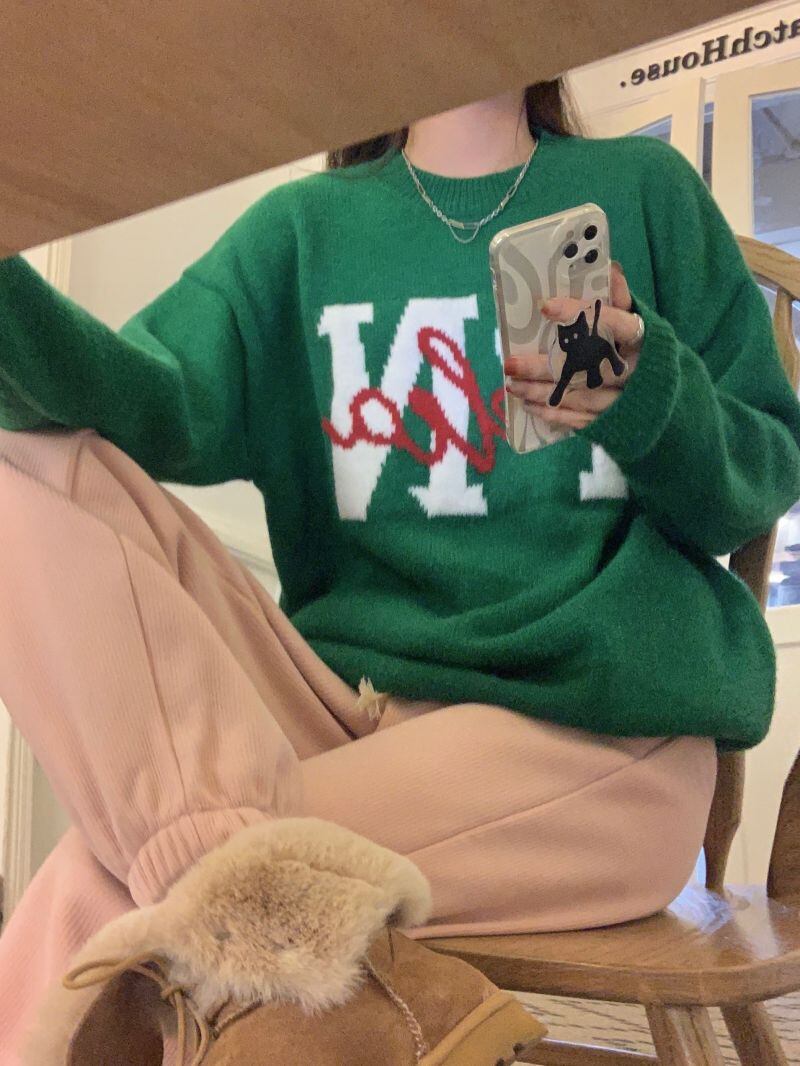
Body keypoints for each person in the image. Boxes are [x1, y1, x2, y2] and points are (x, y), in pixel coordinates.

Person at [0, 79, 799, 1064]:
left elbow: (755, 484)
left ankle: (260, 926)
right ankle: (269, 927)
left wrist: (643, 390)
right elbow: (138, 405)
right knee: (28, 458)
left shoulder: (642, 188)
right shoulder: (300, 231)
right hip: (347, 712)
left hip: (591, 729)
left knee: (96, 887)